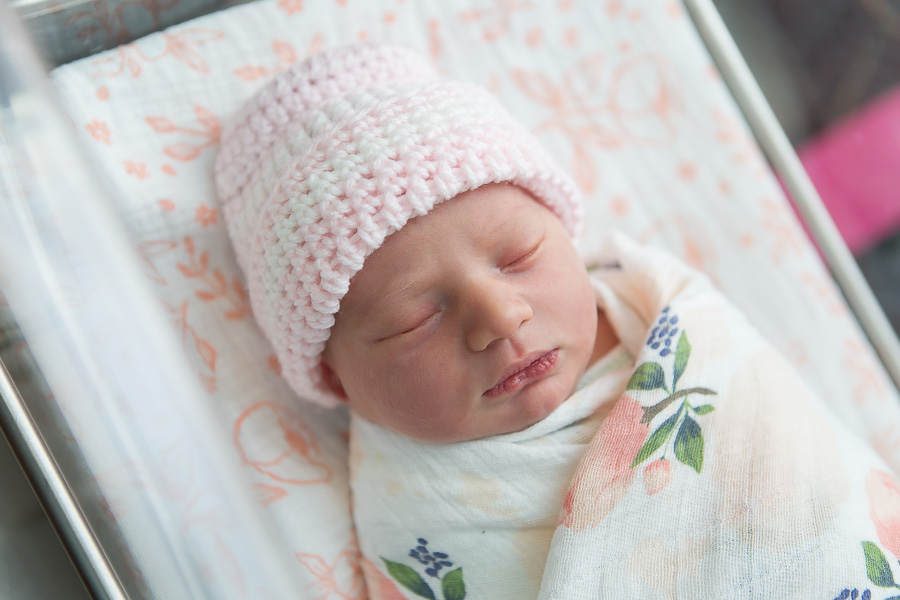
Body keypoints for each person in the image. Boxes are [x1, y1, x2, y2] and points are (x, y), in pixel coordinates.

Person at [216, 42, 900, 599]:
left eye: (520, 256)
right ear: (336, 380)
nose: (500, 314)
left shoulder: (661, 309)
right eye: (413, 320)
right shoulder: (415, 513)